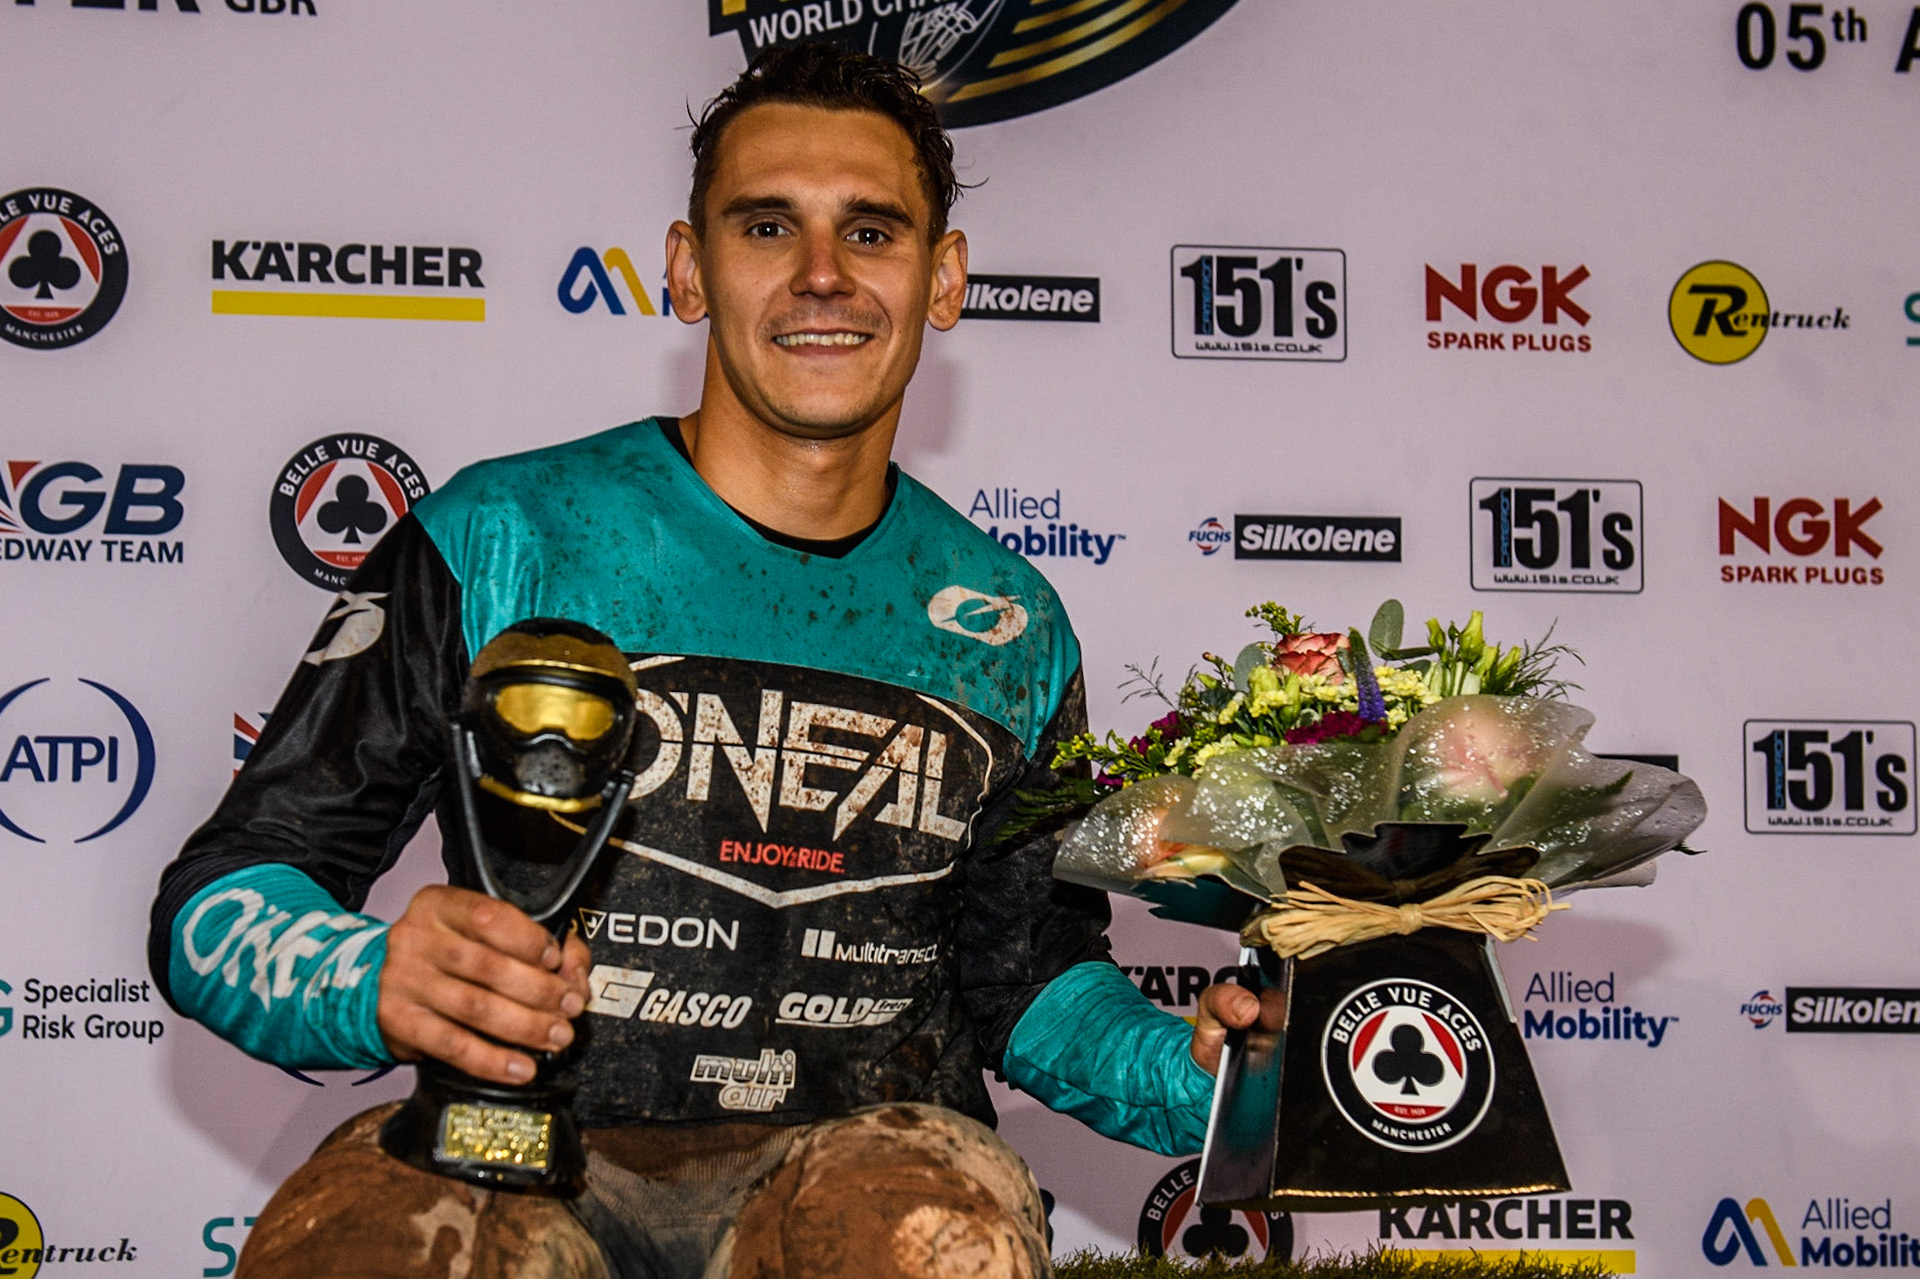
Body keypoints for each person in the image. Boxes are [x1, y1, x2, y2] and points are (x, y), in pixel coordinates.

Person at [148, 43, 1259, 1279]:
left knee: (934, 1241)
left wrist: (1194, 1071)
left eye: (874, 233)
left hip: (864, 1164)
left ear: (943, 279)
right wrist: (371, 976)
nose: (823, 277)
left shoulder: (1009, 620)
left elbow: (1024, 978)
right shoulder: (503, 534)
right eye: (768, 225)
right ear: (689, 268)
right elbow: (223, 897)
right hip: (513, 1149)